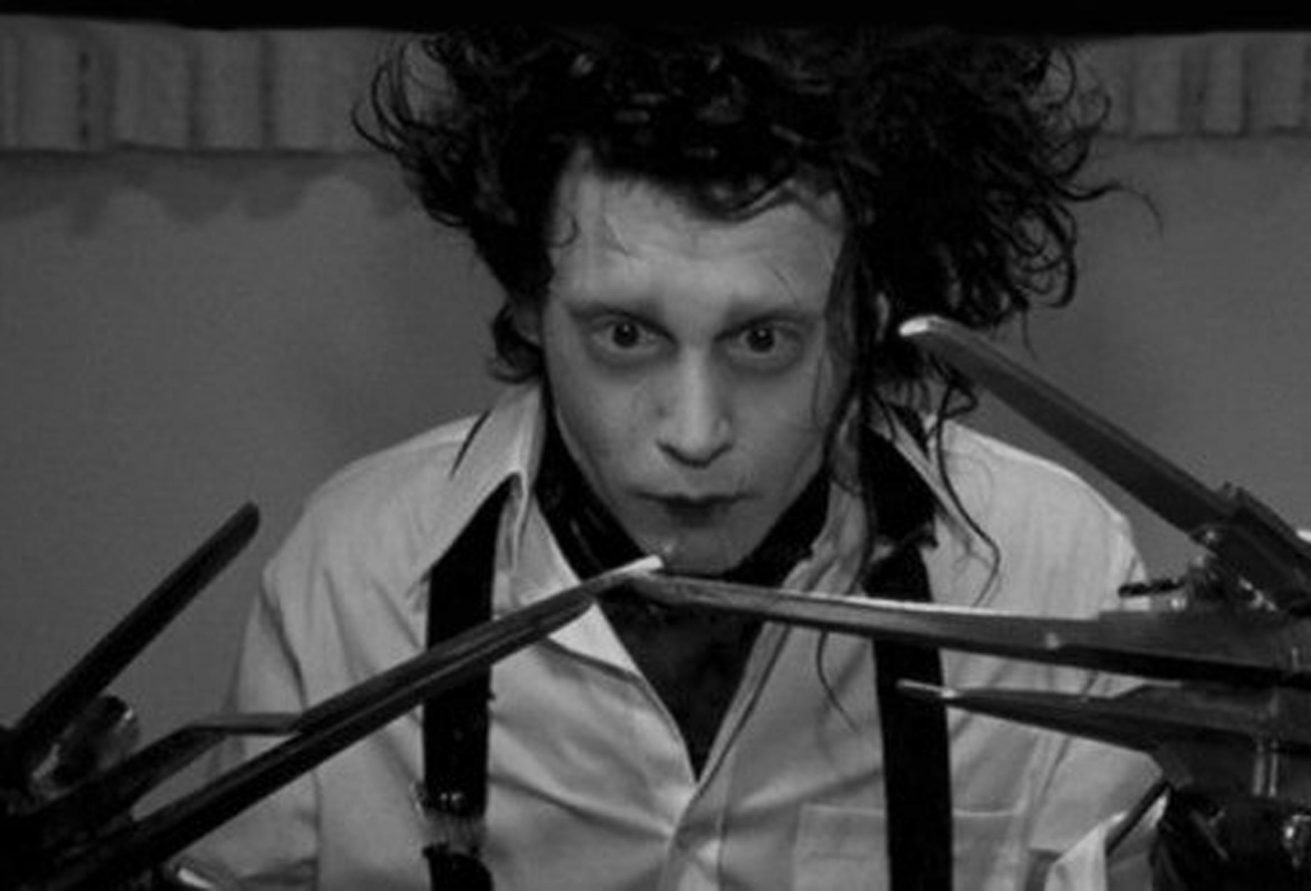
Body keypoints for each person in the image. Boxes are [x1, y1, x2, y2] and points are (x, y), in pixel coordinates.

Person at [175, 24, 1240, 891]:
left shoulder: (1051, 576)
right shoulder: (353, 575)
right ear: (531, 304)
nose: (693, 431)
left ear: (866, 317)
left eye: (762, 340)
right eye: (624, 335)